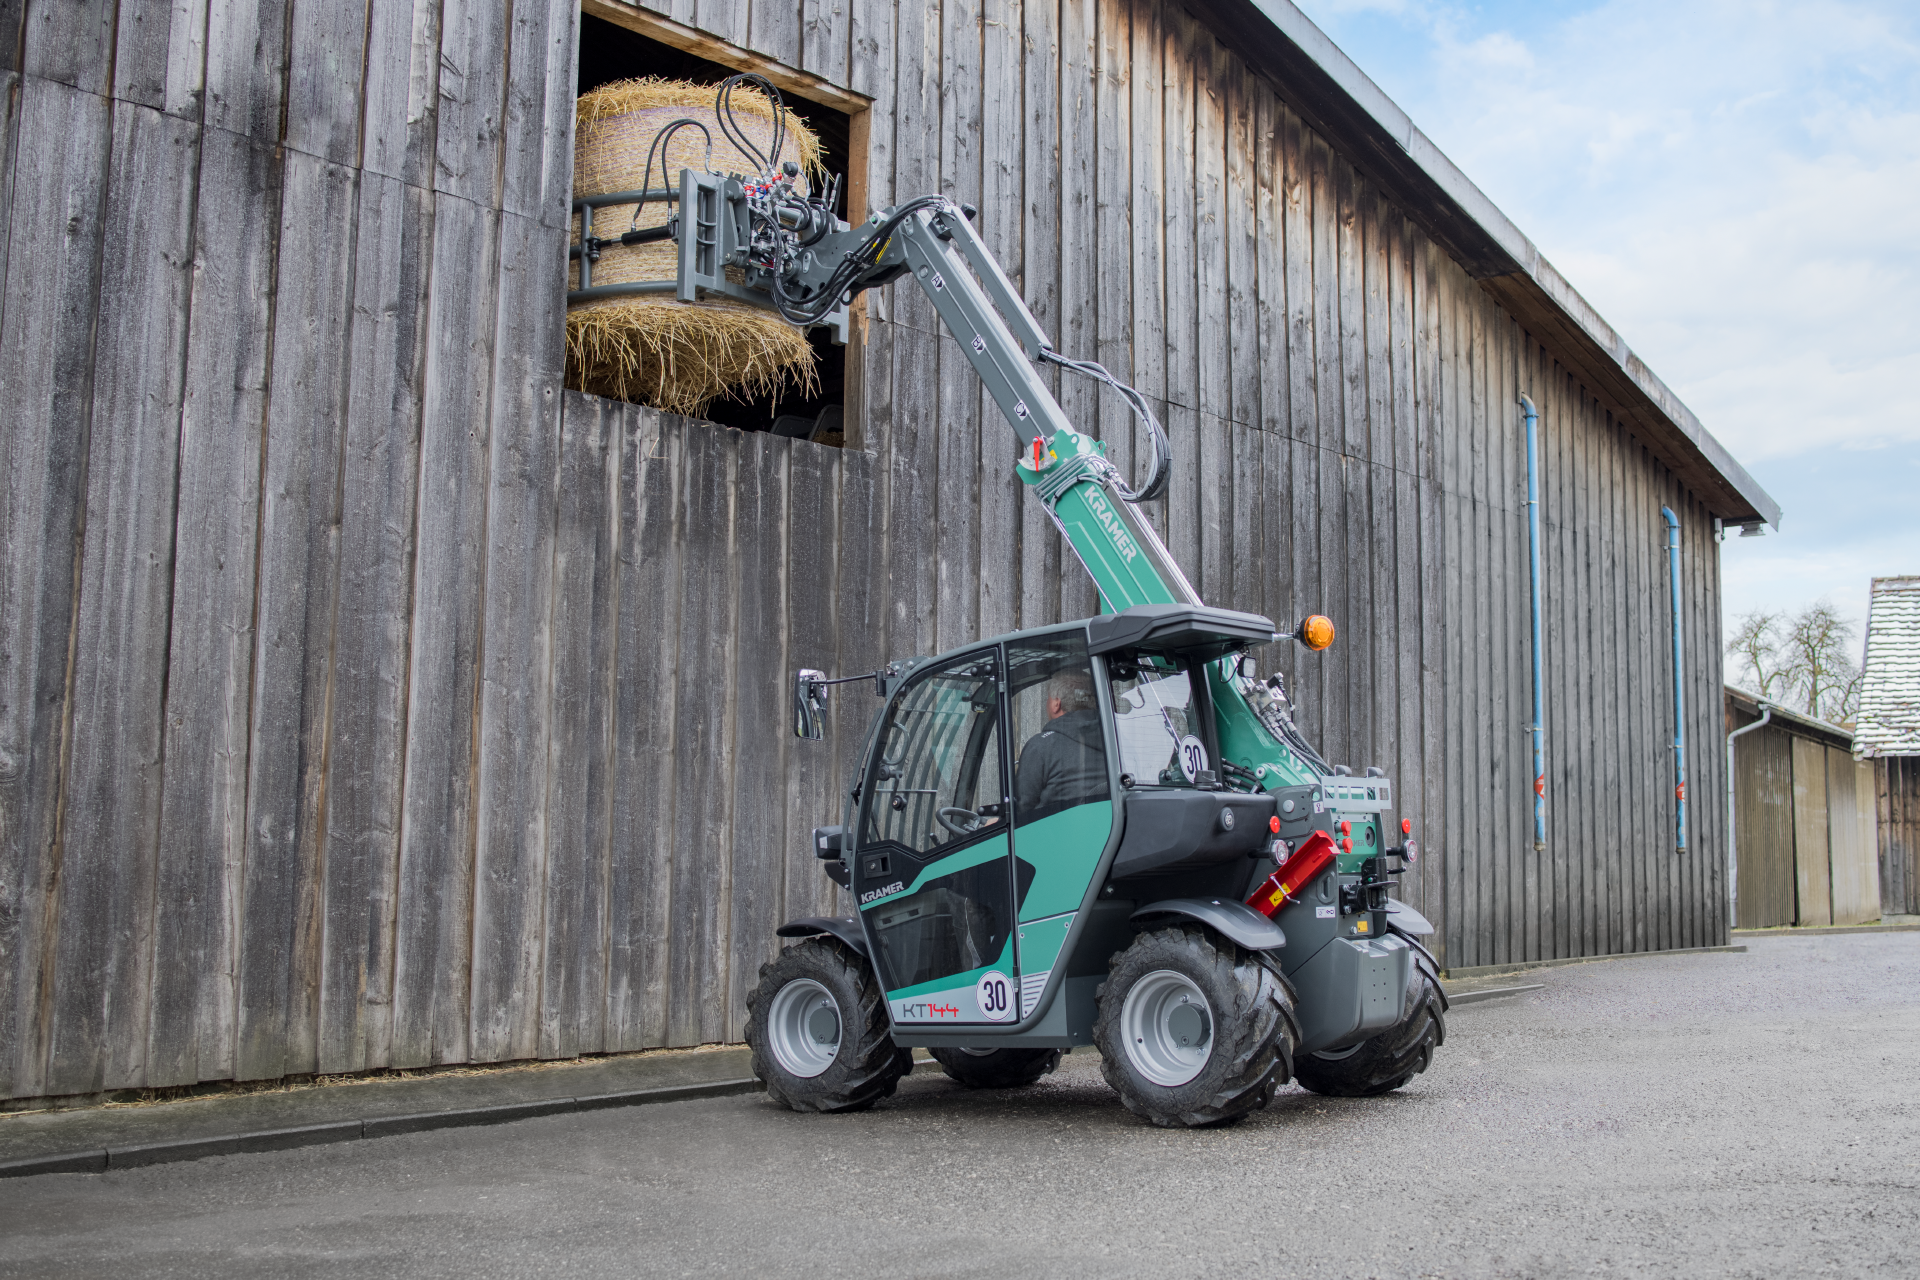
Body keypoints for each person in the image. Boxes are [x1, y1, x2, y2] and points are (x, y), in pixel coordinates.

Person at [1015, 668, 1109, 821]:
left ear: (1056, 703)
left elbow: (1021, 812)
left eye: (1048, 698)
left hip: (1055, 839)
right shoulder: (1116, 742)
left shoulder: (1041, 747)